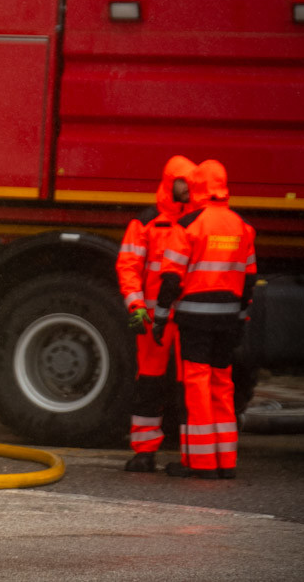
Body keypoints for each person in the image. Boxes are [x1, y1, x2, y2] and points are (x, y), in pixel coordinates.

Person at [155, 159, 256, 480]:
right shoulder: (242, 227)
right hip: (228, 320)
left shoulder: (188, 225)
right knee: (222, 384)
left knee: (196, 384)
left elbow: (170, 279)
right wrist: (240, 316)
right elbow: (250, 279)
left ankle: (199, 464)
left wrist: (159, 318)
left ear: (198, 186)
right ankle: (226, 462)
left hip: (195, 320)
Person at [115, 155, 195, 472]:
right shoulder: (146, 222)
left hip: (187, 319)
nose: (187, 188)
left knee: (186, 387)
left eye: (191, 183)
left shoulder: (195, 221)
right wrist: (136, 306)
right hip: (152, 320)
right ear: (169, 182)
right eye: (182, 182)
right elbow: (128, 266)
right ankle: (145, 451)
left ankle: (190, 455)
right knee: (149, 384)